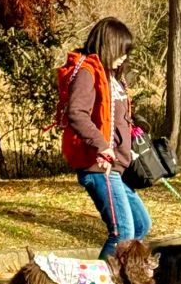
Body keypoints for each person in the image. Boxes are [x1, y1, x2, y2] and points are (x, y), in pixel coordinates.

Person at [60, 16, 152, 260]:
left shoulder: (114, 77)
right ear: (108, 45)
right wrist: (102, 145)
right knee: (122, 233)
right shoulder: (87, 73)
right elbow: (76, 114)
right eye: (121, 51)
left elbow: (118, 119)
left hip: (119, 169)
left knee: (141, 225)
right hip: (99, 167)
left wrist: (133, 141)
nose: (124, 57)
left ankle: (120, 282)